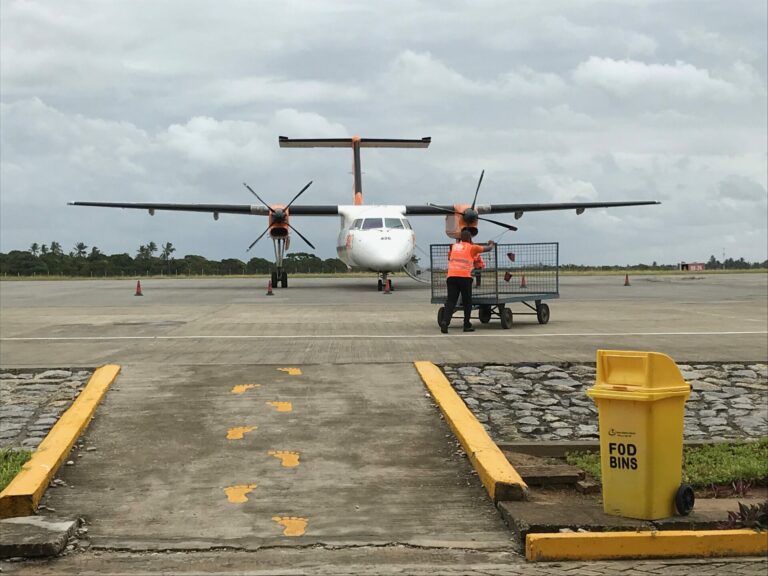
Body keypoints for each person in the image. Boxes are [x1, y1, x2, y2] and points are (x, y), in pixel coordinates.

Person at [441, 230, 495, 333]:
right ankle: (466, 325)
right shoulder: (472, 248)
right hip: (465, 277)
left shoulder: (454, 247)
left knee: (451, 301)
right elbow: (488, 249)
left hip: (451, 276)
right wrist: (491, 243)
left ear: (460, 238)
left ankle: (445, 322)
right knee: (467, 302)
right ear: (470, 238)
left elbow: (449, 257)